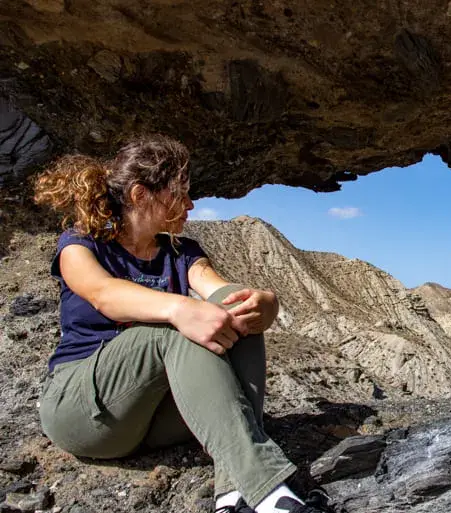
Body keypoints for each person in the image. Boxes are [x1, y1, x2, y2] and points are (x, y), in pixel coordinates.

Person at [33, 135, 330, 513]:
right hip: (84, 413)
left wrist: (264, 304)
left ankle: (231, 495)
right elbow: (103, 294)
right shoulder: (81, 245)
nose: (191, 205)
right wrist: (178, 309)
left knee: (234, 311)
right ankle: (271, 495)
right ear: (141, 195)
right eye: (180, 193)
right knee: (171, 331)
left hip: (153, 420)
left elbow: (222, 293)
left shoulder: (182, 252)